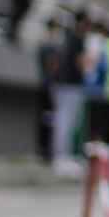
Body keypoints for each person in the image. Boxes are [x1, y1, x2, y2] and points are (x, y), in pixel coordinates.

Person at [49, 16, 88, 175]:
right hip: (71, 84)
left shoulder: (65, 38)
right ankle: (62, 157)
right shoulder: (77, 40)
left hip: (62, 84)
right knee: (67, 122)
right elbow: (80, 62)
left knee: (62, 120)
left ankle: (62, 156)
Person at [35, 18, 66, 161]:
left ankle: (45, 148)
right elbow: (51, 67)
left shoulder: (47, 46)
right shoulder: (48, 47)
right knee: (47, 118)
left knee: (48, 118)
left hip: (47, 87)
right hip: (48, 88)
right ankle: (44, 149)